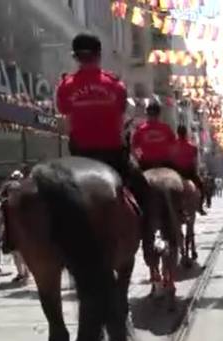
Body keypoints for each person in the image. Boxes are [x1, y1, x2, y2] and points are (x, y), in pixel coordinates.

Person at [55, 33, 152, 227]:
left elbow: (63, 111)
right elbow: (121, 110)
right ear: (99, 55)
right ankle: (150, 235)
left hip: (79, 157)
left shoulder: (65, 86)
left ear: (75, 57)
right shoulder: (115, 85)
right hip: (113, 155)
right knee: (143, 188)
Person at [131, 101, 178, 170]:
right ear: (159, 114)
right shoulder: (166, 128)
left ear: (147, 114)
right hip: (164, 163)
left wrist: (141, 158)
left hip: (146, 164)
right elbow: (174, 146)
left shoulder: (140, 129)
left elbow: (134, 147)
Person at [171, 125, 207, 215]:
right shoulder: (192, 147)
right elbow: (195, 163)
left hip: (176, 173)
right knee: (202, 187)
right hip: (189, 172)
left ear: (177, 133)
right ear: (186, 133)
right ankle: (200, 207)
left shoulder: (172, 146)